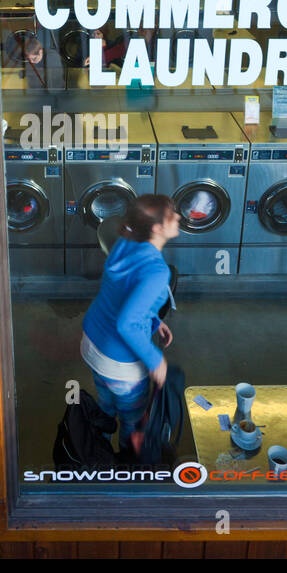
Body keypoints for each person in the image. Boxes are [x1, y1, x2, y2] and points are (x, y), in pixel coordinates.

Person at [80, 194, 179, 454]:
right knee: (132, 418)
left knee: (107, 403)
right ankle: (125, 462)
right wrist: (155, 360)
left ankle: (95, 450)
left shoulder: (126, 239)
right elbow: (127, 323)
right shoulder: (158, 271)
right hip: (119, 362)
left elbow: (123, 291)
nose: (178, 217)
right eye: (172, 215)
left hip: (93, 342)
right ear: (157, 228)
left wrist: (154, 320)